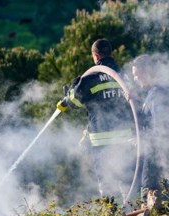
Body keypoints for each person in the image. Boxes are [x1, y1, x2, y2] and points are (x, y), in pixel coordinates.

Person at [57, 38, 135, 199]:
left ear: (95, 56)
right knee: (128, 177)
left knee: (107, 180)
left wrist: (73, 87)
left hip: (101, 140)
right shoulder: (123, 75)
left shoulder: (90, 77)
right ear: (110, 53)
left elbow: (74, 101)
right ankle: (134, 211)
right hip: (125, 137)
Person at [131, 54, 169, 207]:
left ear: (147, 72)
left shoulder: (158, 95)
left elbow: (161, 129)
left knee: (150, 198)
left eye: (137, 75)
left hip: (155, 159)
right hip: (155, 156)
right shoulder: (153, 93)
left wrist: (143, 140)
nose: (136, 79)